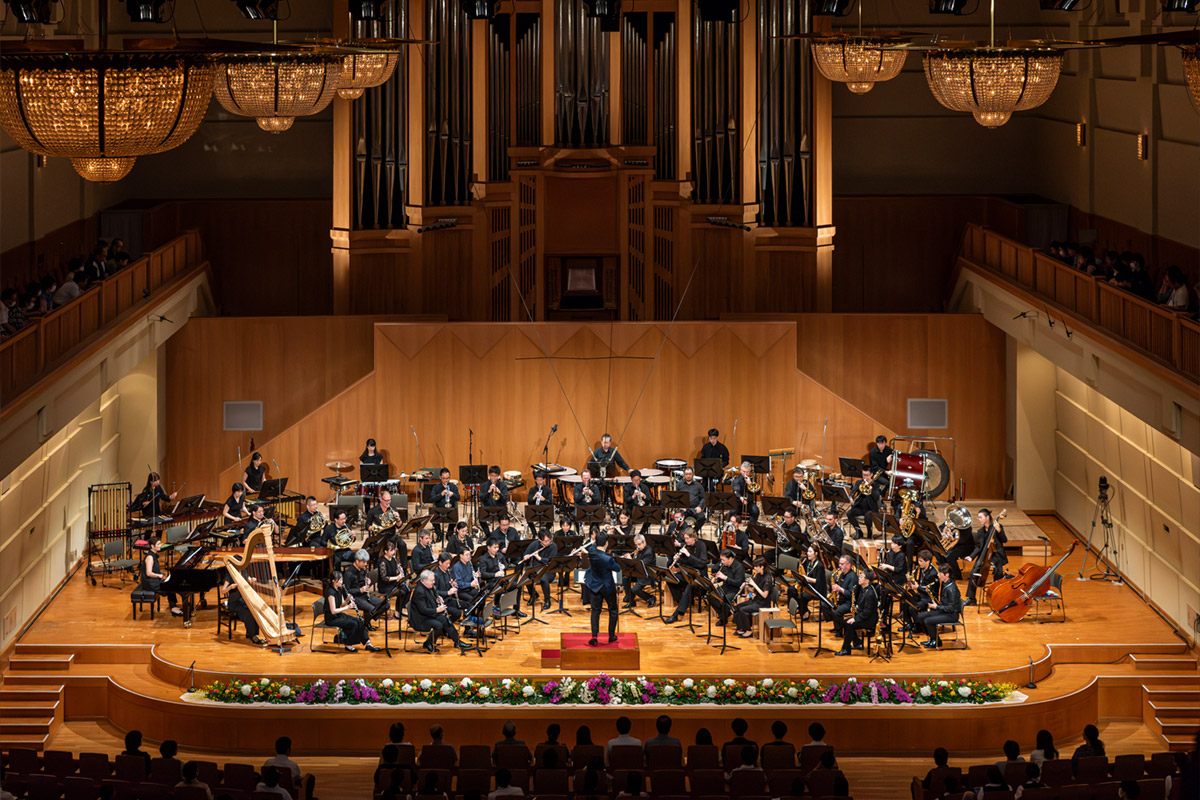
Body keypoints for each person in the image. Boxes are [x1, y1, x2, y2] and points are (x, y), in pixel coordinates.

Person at [411, 569, 472, 652]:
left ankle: (457, 642)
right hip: (420, 618)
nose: (433, 582)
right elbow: (423, 609)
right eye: (432, 580)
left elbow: (433, 595)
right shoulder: (419, 591)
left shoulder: (429, 586)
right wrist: (437, 610)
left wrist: (438, 597)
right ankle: (428, 643)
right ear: (424, 581)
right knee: (438, 625)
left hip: (428, 614)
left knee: (446, 620)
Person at [324, 571, 381, 652]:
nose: (342, 582)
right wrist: (348, 607)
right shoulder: (331, 593)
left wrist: (347, 600)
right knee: (353, 624)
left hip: (338, 615)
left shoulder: (339, 589)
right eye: (339, 580)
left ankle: (368, 644)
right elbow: (333, 611)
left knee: (359, 621)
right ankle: (348, 644)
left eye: (342, 580)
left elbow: (341, 604)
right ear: (333, 581)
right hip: (331, 618)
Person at [963, 508, 1007, 605]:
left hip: (995, 556)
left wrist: (999, 530)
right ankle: (971, 598)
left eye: (980, 517)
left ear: (987, 517)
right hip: (984, 555)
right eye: (978, 518)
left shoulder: (996, 527)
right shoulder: (980, 531)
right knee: (972, 573)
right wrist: (971, 557)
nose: (979, 519)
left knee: (998, 572)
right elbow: (979, 547)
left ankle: (997, 597)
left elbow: (1004, 540)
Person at [583, 530, 620, 646]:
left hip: (595, 585)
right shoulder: (607, 559)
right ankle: (611, 636)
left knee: (595, 611)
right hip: (607, 587)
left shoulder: (591, 551)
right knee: (613, 610)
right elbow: (617, 568)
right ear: (606, 543)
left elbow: (593, 545)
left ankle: (594, 636)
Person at [664, 528, 708, 624]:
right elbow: (682, 565)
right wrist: (677, 560)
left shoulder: (701, 545)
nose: (685, 541)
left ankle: (677, 614)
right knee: (670, 578)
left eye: (687, 538)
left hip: (699, 576)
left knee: (689, 586)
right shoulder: (686, 546)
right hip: (687, 573)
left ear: (693, 538)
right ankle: (682, 601)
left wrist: (689, 555)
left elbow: (702, 564)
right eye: (685, 538)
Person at [918, 564, 962, 649]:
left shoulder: (951, 589)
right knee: (921, 616)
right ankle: (932, 638)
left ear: (947, 575)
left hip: (952, 615)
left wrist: (936, 607)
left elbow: (951, 608)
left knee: (927, 621)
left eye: (940, 573)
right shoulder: (945, 584)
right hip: (944, 611)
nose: (937, 575)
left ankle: (936, 641)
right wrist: (938, 604)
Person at [836, 570, 879, 656]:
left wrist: (855, 619)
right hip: (864, 616)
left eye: (861, 577)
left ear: (867, 580)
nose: (859, 578)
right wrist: (856, 608)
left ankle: (846, 649)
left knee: (849, 624)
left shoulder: (869, 593)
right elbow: (862, 605)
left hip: (870, 620)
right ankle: (857, 643)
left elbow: (867, 612)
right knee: (845, 622)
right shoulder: (862, 589)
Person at [365, 490, 408, 569]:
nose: (388, 502)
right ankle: (376, 570)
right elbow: (367, 525)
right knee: (375, 550)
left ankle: (404, 568)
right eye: (386, 500)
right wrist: (373, 528)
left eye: (389, 500)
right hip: (379, 537)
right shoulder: (373, 511)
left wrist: (398, 518)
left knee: (403, 545)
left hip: (391, 536)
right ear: (381, 499)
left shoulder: (393, 509)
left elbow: (399, 526)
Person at [140, 537, 183, 617]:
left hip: (154, 580)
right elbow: (148, 573)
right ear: (152, 546)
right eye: (158, 544)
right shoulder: (150, 557)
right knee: (170, 587)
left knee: (171, 584)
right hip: (150, 583)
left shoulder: (154, 555)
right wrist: (159, 575)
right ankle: (173, 608)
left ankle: (173, 606)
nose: (160, 545)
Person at [220, 572, 264, 645]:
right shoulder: (230, 574)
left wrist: (252, 580)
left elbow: (249, 580)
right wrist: (230, 587)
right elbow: (223, 590)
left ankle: (251, 633)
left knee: (254, 611)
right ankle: (253, 636)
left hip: (243, 601)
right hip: (234, 602)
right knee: (247, 614)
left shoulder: (244, 572)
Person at [346, 549, 389, 625]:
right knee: (372, 609)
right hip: (355, 598)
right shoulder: (348, 574)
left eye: (366, 562)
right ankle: (366, 622)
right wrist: (360, 590)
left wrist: (367, 581)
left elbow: (363, 580)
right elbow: (346, 591)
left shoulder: (362, 569)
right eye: (364, 562)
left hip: (365, 596)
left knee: (385, 605)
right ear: (357, 561)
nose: (366, 564)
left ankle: (366, 620)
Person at [733, 557, 773, 637]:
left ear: (762, 567)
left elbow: (764, 595)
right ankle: (742, 628)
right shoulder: (758, 575)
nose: (754, 568)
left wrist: (754, 584)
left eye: (756, 566)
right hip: (756, 600)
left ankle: (748, 630)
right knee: (738, 606)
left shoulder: (768, 578)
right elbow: (754, 591)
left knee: (743, 610)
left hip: (763, 604)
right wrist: (748, 587)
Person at [522, 528, 557, 610]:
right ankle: (533, 595)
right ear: (540, 540)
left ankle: (547, 600)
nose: (548, 542)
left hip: (549, 571)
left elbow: (550, 560)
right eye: (546, 541)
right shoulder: (534, 544)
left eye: (549, 540)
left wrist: (539, 558)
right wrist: (526, 556)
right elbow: (526, 553)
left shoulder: (553, 546)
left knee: (543, 578)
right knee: (526, 576)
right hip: (537, 569)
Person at [710, 548, 745, 626]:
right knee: (711, 595)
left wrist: (725, 578)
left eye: (723, 560)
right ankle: (725, 614)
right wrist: (716, 579)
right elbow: (722, 578)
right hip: (725, 587)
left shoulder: (739, 567)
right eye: (721, 560)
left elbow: (738, 583)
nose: (722, 562)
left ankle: (723, 619)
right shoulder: (724, 566)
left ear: (730, 558)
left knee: (725, 600)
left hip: (735, 590)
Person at [623, 534, 656, 608]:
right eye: (636, 545)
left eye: (639, 544)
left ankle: (650, 597)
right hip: (639, 572)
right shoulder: (640, 549)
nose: (637, 547)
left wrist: (631, 560)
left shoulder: (649, 552)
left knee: (635, 589)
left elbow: (640, 566)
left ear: (644, 542)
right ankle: (631, 600)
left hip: (647, 575)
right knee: (625, 578)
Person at [826, 555, 857, 635]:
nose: (839, 566)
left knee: (836, 612)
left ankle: (840, 630)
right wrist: (838, 594)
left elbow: (851, 595)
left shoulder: (852, 577)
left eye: (842, 564)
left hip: (849, 602)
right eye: (839, 563)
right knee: (825, 604)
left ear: (849, 565)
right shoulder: (842, 574)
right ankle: (837, 627)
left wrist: (839, 589)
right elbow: (841, 586)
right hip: (842, 599)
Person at [847, 466, 880, 539]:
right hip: (859, 507)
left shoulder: (875, 484)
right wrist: (850, 498)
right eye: (863, 475)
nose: (865, 477)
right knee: (849, 513)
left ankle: (869, 531)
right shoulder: (859, 483)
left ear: (871, 475)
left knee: (868, 516)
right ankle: (858, 531)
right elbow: (852, 492)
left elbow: (876, 497)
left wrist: (870, 489)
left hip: (870, 509)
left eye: (866, 475)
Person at [430, 467, 460, 540]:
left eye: (448, 478)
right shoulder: (436, 487)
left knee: (455, 514)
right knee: (432, 515)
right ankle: (439, 534)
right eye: (444, 478)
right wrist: (441, 494)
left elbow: (458, 497)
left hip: (450, 509)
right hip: (439, 509)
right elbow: (432, 498)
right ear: (440, 477)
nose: (446, 480)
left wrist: (453, 494)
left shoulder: (453, 487)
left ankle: (449, 534)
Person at [431, 552, 462, 620]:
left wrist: (452, 585)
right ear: (440, 563)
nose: (448, 565)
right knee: (457, 613)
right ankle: (446, 624)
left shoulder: (447, 572)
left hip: (449, 599)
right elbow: (434, 592)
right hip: (441, 602)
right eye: (446, 563)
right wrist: (448, 592)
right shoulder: (436, 575)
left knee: (464, 605)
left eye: (449, 563)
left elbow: (448, 585)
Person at [480, 466, 509, 535]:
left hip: (499, 508)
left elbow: (505, 499)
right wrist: (489, 491)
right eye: (492, 475)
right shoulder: (484, 485)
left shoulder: (503, 485)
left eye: (495, 476)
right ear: (489, 475)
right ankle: (488, 535)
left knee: (504, 520)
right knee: (481, 518)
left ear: (498, 476)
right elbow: (482, 498)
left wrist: (499, 493)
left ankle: (499, 534)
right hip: (488, 507)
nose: (493, 478)